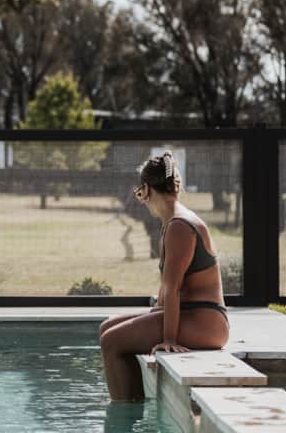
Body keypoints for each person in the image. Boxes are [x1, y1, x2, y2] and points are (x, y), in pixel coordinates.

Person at [98, 151, 230, 402]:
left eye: (140, 193)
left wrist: (168, 339)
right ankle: (131, 402)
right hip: (194, 315)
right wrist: (151, 324)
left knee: (112, 342)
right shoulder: (174, 222)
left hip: (206, 323)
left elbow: (172, 288)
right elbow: (168, 292)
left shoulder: (180, 226)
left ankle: (125, 422)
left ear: (146, 190)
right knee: (108, 327)